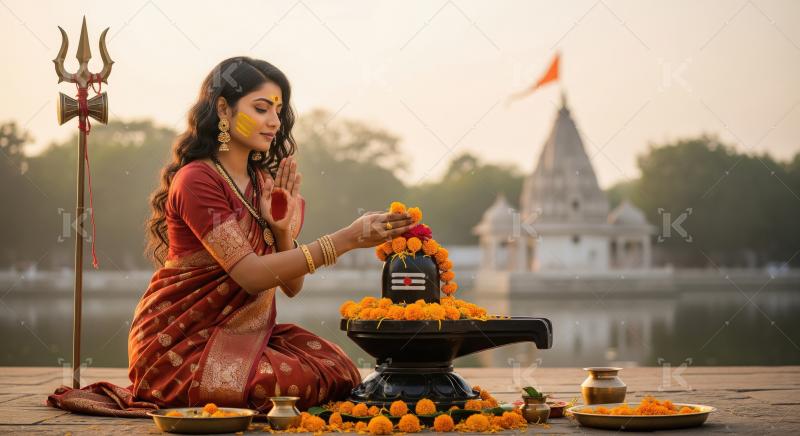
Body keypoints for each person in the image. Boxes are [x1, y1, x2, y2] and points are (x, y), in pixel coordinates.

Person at [48, 56, 415, 416]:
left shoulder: (264, 184)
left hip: (243, 337)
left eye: (278, 110)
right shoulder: (197, 180)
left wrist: (280, 231)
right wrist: (346, 240)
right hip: (181, 346)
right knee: (291, 383)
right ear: (223, 109)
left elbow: (292, 287)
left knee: (337, 367)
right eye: (261, 109)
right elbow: (250, 275)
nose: (274, 122)